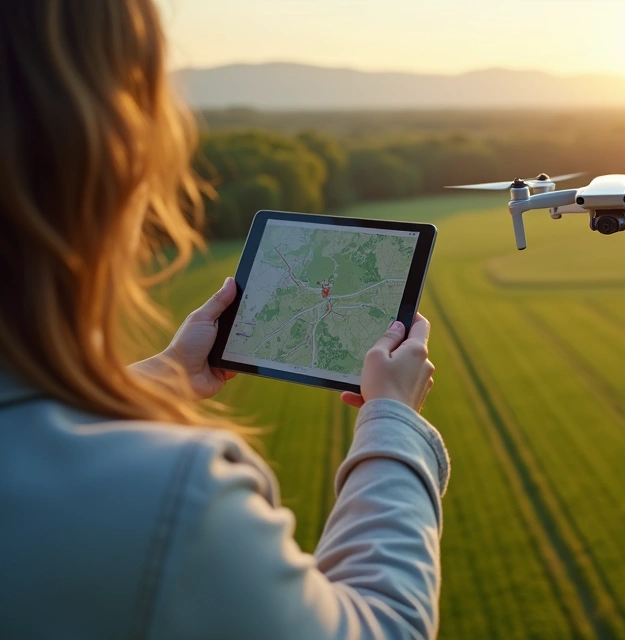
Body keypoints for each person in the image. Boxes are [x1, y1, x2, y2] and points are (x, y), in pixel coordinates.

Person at [0, 1, 448, 638]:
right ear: (107, 160)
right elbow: (388, 628)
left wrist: (166, 376)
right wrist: (395, 424)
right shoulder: (173, 498)